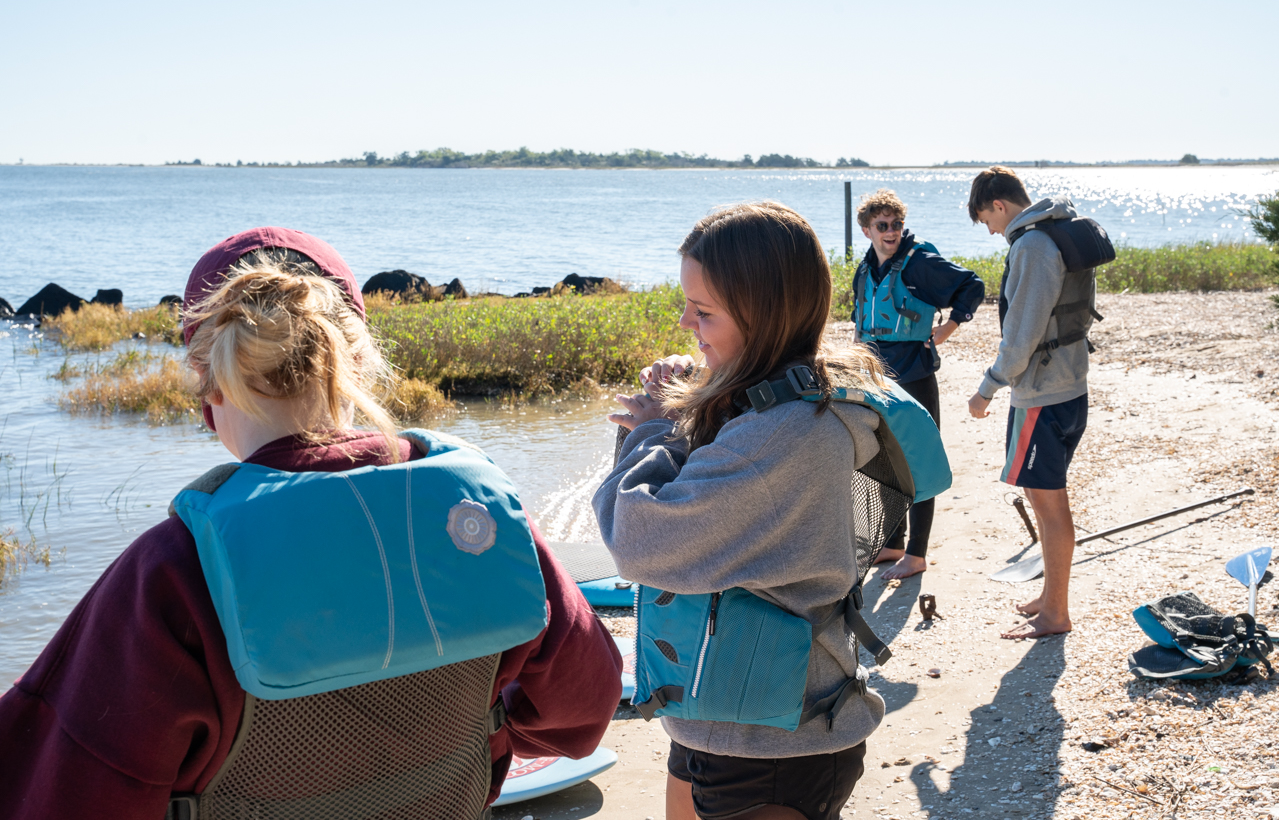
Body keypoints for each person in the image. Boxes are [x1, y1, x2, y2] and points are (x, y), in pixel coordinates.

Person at [0, 227, 621, 818]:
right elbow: (582, 710)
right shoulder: (481, 516)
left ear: (205, 377)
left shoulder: (176, 568)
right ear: (356, 358)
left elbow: (59, 791)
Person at [593, 202, 892, 820]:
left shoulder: (780, 434)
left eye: (703, 312)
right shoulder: (788, 399)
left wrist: (655, 433)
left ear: (767, 315)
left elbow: (640, 538)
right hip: (728, 714)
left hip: (773, 744)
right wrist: (685, 405)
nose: (685, 322)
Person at [965, 167, 1093, 640]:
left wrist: (987, 388)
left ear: (999, 204)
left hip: (1042, 395)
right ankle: (1049, 597)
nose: (991, 231)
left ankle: (1056, 613)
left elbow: (1021, 335)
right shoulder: (1056, 232)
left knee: (1049, 502)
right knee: (1044, 499)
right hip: (1067, 385)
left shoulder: (1033, 246)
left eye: (986, 220)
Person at [851, 189, 984, 580]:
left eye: (897, 224)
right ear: (867, 230)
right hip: (877, 376)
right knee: (884, 459)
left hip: (915, 376)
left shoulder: (918, 261)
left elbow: (971, 286)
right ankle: (892, 543)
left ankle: (916, 554)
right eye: (883, 226)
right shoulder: (867, 267)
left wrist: (948, 327)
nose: (891, 232)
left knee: (919, 462)